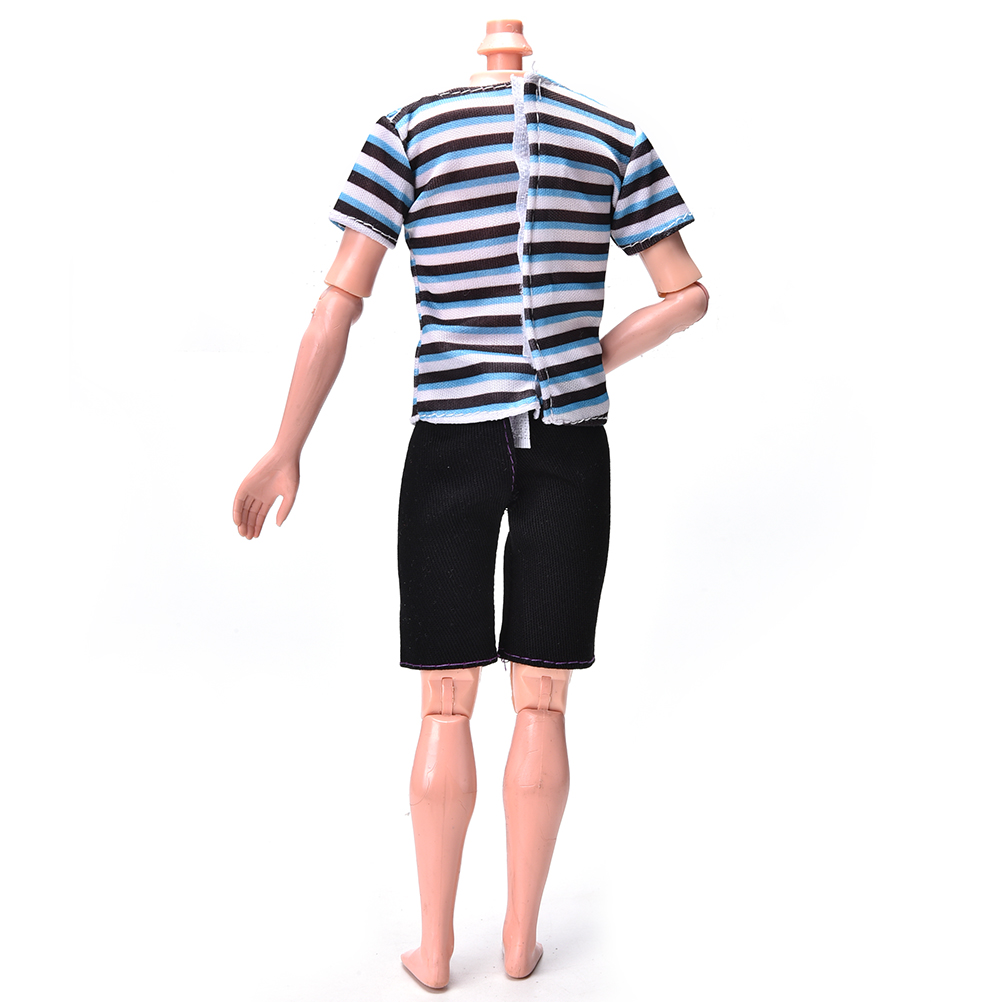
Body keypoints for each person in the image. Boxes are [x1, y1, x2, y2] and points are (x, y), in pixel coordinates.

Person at [233, 19, 708, 989]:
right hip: (570, 441)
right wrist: (584, 358)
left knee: (445, 699)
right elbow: (688, 294)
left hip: (452, 438)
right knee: (544, 693)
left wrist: (286, 445)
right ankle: (522, 944)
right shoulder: (610, 135)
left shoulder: (410, 131)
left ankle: (437, 949)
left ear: (483, 50)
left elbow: (338, 302)